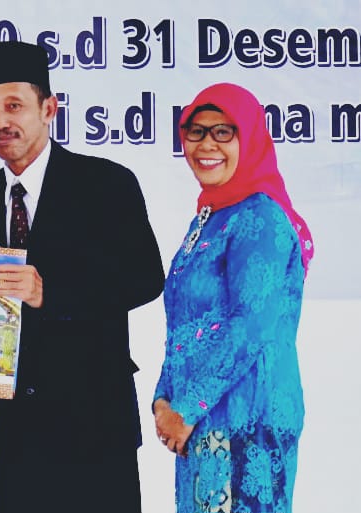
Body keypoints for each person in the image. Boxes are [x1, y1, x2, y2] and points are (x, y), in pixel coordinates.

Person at [0, 41, 165, 513]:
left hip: (96, 427)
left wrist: (49, 293)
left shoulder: (106, 183)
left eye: (14, 106)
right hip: (17, 435)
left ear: (49, 109)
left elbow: (145, 278)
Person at [153, 82, 314, 513]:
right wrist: (164, 399)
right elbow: (184, 324)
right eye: (196, 131)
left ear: (250, 137)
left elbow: (250, 325)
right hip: (201, 420)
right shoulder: (209, 217)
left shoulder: (261, 216)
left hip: (247, 424)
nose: (207, 144)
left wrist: (184, 409)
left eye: (224, 132)